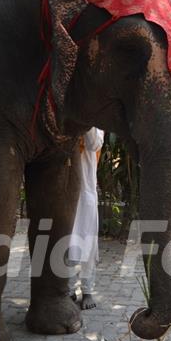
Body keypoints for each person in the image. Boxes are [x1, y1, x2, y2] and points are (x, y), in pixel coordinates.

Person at [68, 127, 104, 310]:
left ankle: (88, 290)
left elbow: (94, 143)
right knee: (65, 241)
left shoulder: (97, 125)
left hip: (85, 191)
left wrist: (86, 122)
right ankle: (68, 289)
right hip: (64, 190)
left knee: (87, 241)